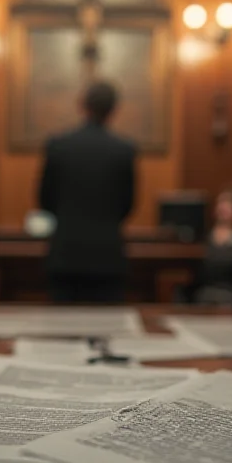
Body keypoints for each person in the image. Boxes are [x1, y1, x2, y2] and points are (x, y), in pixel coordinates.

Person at [38, 81, 136, 303]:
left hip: (65, 255)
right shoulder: (124, 150)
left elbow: (44, 201)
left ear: (82, 105)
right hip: (108, 257)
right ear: (114, 109)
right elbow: (128, 205)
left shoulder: (57, 146)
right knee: (109, 332)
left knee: (62, 330)